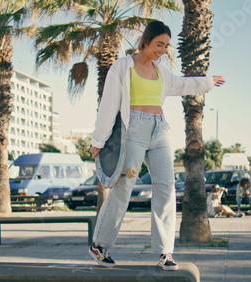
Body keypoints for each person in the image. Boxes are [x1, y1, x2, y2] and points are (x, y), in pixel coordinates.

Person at [88, 20, 225, 271]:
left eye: (166, 46)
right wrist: (98, 141)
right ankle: (100, 245)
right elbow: (108, 104)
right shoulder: (123, 67)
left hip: (159, 129)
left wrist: (206, 81)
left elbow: (183, 84)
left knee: (166, 188)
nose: (162, 50)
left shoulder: (161, 71)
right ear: (146, 41)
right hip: (133, 130)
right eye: (158, 44)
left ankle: (165, 252)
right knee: (124, 187)